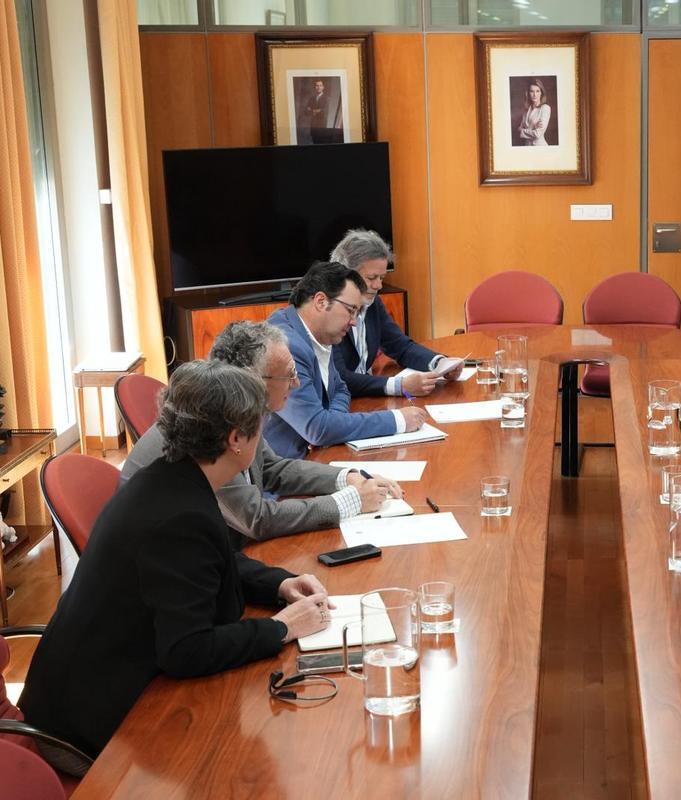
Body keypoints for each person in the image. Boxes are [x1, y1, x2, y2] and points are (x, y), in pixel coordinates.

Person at [20, 361, 334, 772]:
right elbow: (187, 651)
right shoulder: (179, 515)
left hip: (98, 685)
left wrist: (280, 585)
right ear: (236, 438)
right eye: (261, 424)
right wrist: (284, 627)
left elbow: (210, 561)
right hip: (89, 727)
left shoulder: (170, 478)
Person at [121, 321, 402, 543]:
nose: (297, 382)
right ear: (253, 380)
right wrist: (350, 501)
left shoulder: (233, 407)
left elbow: (271, 468)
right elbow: (255, 519)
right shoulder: (207, 425)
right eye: (289, 373)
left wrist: (347, 478)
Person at [264, 261, 428, 459]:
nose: (354, 321)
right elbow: (317, 429)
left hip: (311, 456)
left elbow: (340, 387)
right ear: (321, 301)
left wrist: (334, 419)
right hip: (280, 473)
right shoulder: (286, 346)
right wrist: (397, 420)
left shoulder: (319, 332)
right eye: (351, 310)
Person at [330, 229, 463, 397]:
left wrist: (440, 363)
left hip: (365, 397)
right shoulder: (328, 310)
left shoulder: (372, 302)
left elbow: (400, 346)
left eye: (382, 278)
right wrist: (400, 385)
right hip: (339, 404)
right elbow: (339, 377)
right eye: (371, 278)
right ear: (345, 274)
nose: (378, 285)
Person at [517, 79, 551, 146]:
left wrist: (523, 131)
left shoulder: (545, 108)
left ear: (541, 93)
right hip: (527, 147)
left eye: (537, 91)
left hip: (540, 147)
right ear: (528, 93)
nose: (535, 94)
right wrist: (533, 128)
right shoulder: (527, 109)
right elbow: (518, 129)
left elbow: (537, 134)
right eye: (532, 91)